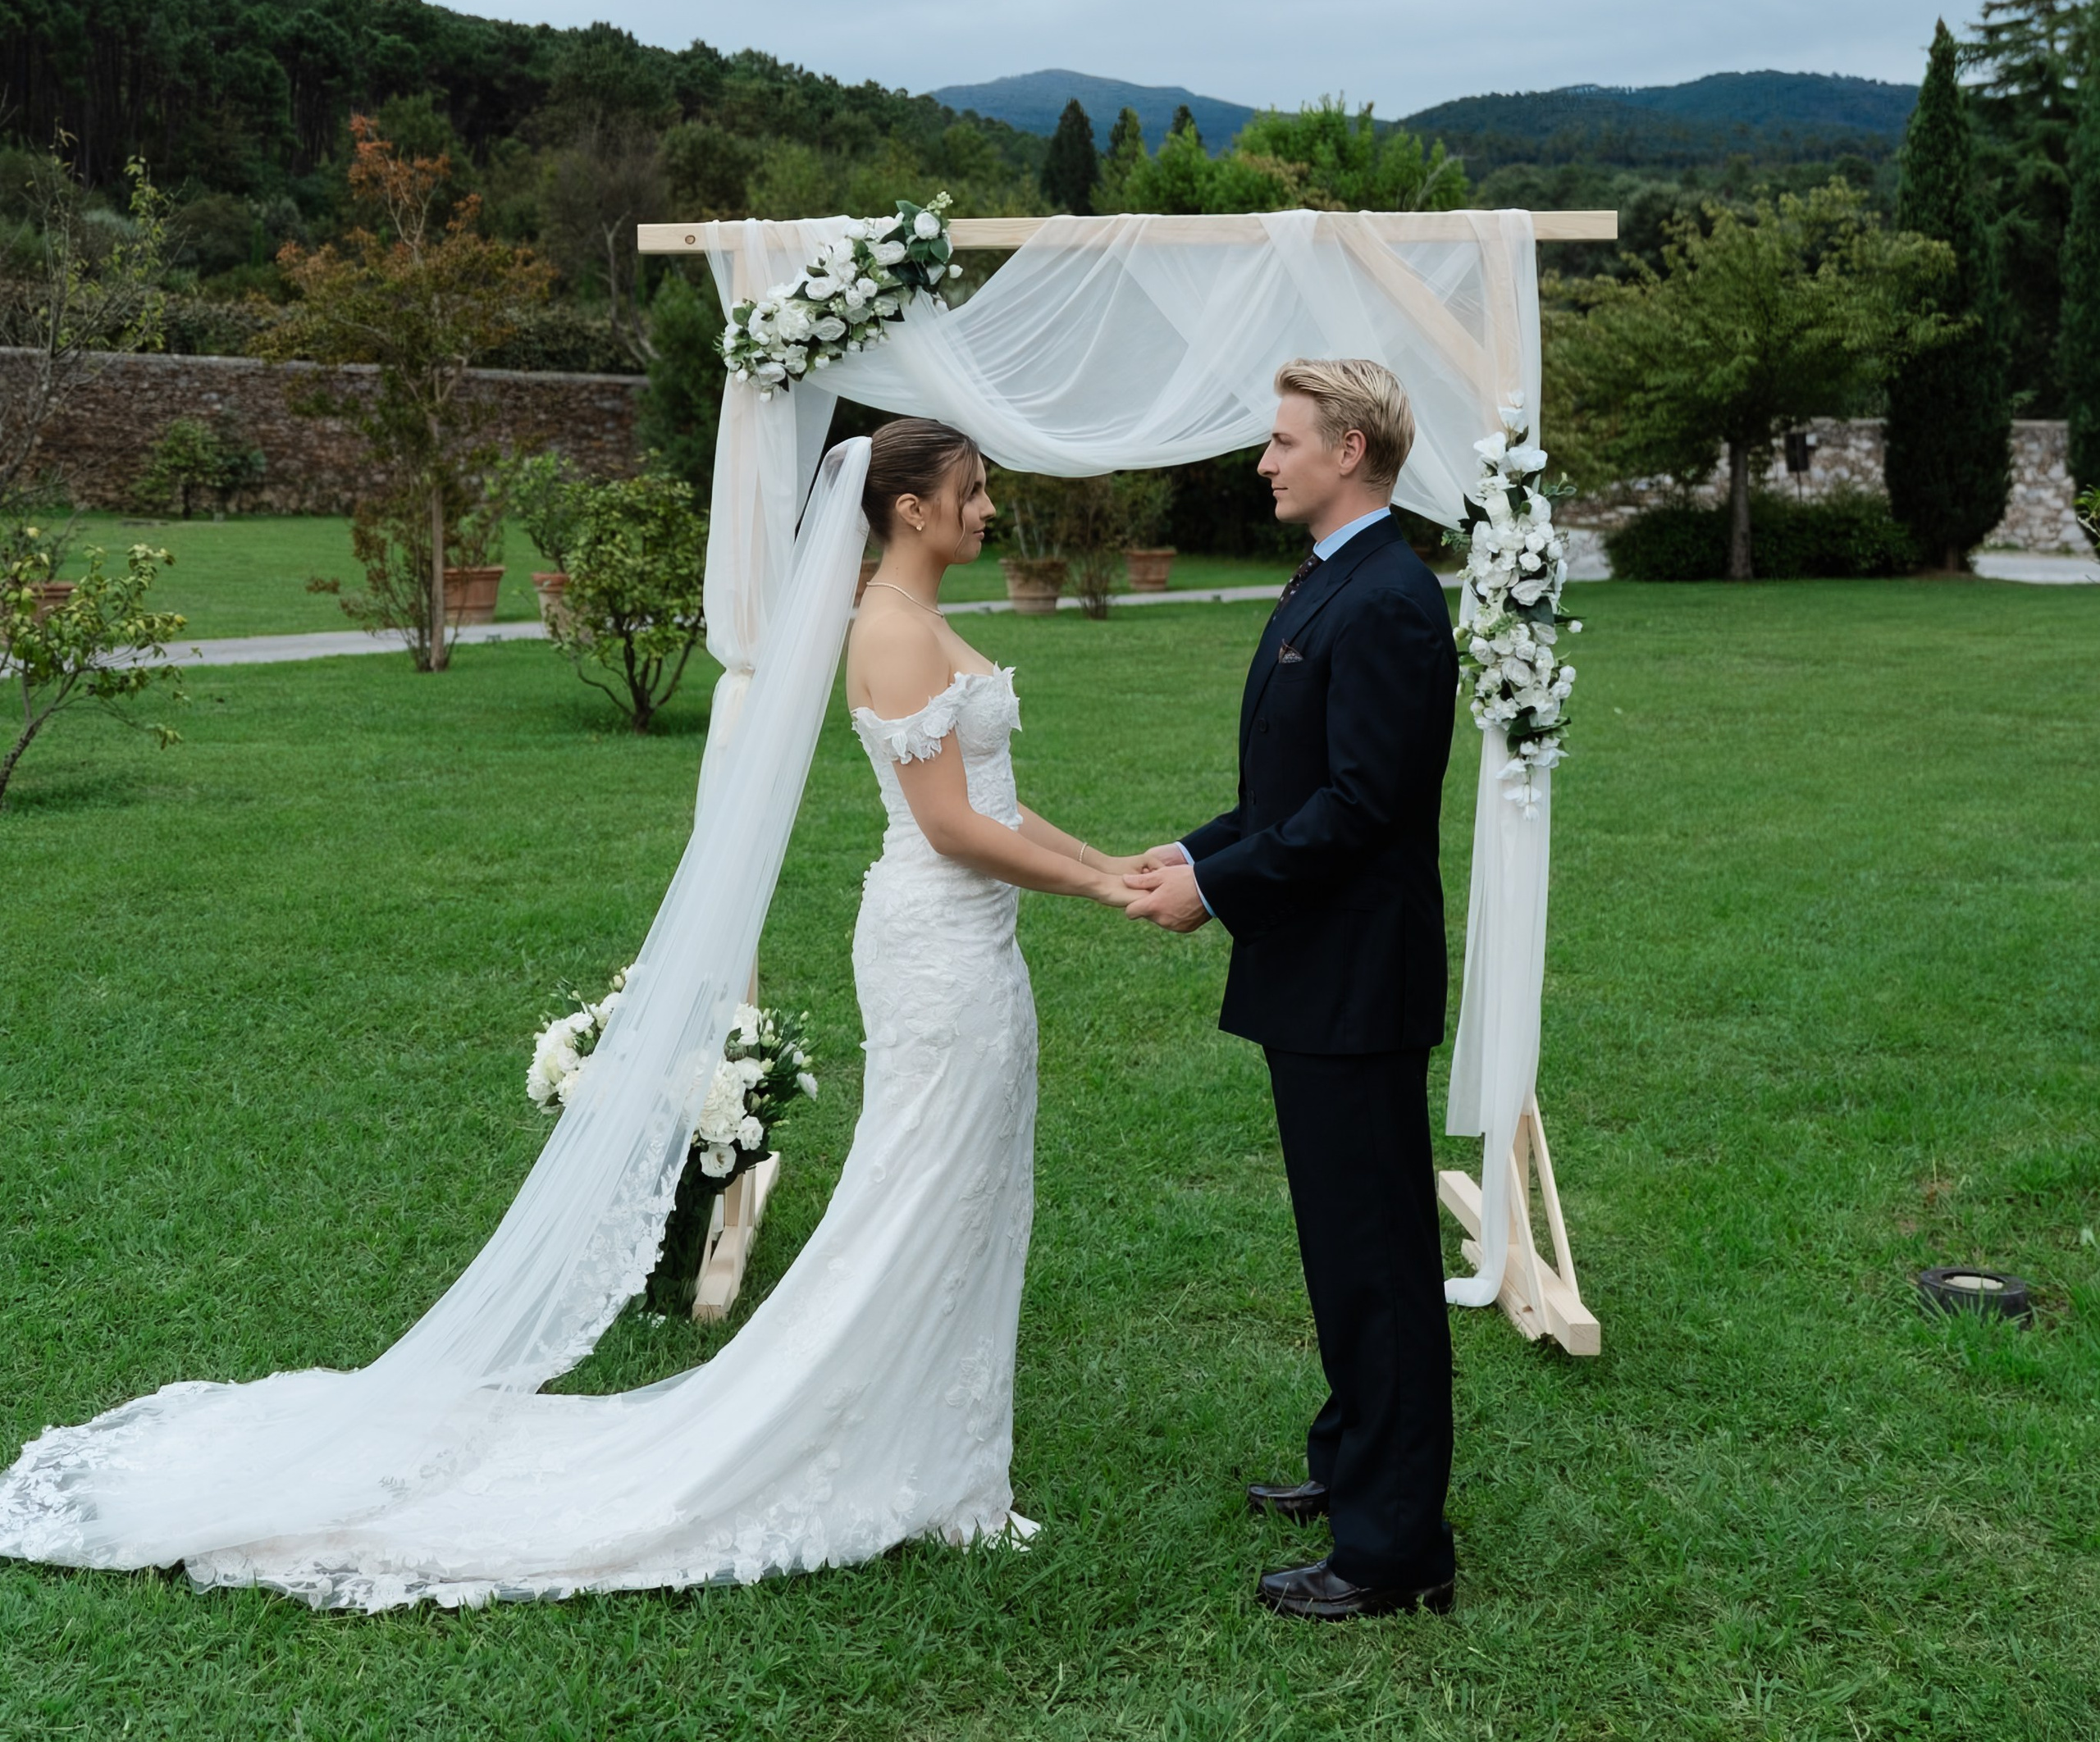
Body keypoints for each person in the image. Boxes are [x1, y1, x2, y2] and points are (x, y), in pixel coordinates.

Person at [0, 418, 1136, 1609]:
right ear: (910, 509)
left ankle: (945, 1455)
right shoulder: (892, 631)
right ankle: (905, 1453)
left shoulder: (927, 619)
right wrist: (1106, 887)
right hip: (937, 944)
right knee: (924, 1184)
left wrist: (1113, 860)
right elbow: (952, 829)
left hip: (975, 940)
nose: (989, 508)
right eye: (973, 490)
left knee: (969, 1184)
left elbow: (999, 803)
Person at [1127, 358, 1459, 1621]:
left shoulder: (1387, 601)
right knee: (1342, 1249)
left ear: (1353, 450)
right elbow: (1293, 789)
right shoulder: (1338, 578)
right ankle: (1352, 1464)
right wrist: (1200, 849)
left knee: (1376, 1259)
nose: (1264, 462)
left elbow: (1362, 808)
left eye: (1282, 442)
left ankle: (1395, 1550)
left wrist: (1215, 892)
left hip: (1356, 984)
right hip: (1316, 973)